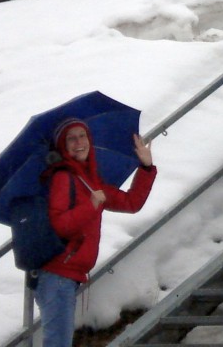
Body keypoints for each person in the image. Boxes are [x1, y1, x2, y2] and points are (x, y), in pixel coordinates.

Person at [36, 119, 156, 347]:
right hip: (57, 274)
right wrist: (90, 205)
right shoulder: (63, 177)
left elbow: (131, 202)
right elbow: (60, 224)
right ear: (63, 146)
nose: (79, 142)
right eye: (71, 138)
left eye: (82, 136)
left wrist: (147, 168)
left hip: (67, 276)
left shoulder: (90, 181)